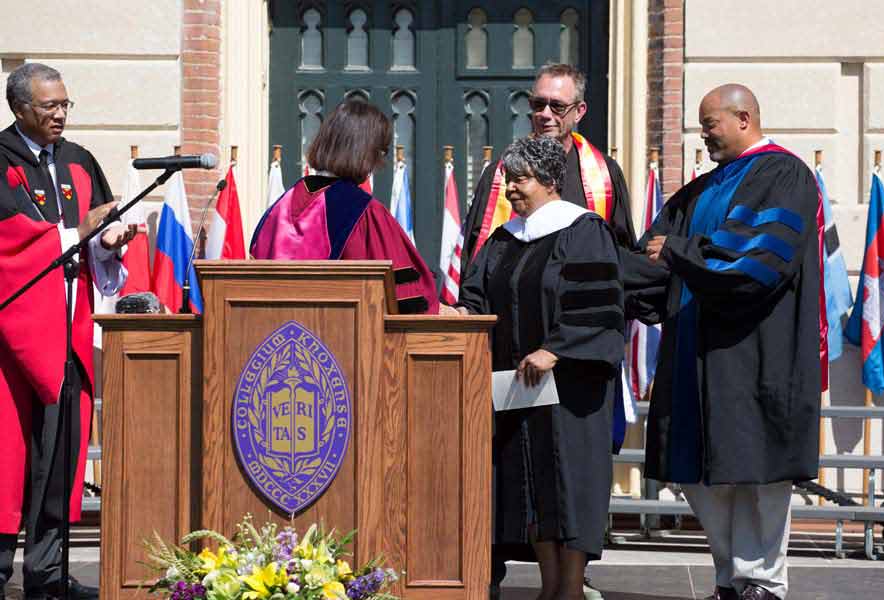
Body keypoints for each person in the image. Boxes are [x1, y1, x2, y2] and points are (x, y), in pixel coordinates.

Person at [627, 84, 822, 600]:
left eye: (709, 124)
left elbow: (753, 263)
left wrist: (679, 252)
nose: (703, 134)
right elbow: (651, 255)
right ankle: (730, 576)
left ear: (743, 117)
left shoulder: (783, 175)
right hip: (694, 352)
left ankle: (762, 581)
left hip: (754, 349)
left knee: (757, 472)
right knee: (701, 472)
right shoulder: (699, 191)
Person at [453, 136, 624, 600]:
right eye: (508, 179)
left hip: (570, 391)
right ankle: (550, 588)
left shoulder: (584, 230)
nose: (510, 189)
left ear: (551, 181)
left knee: (568, 483)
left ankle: (569, 589)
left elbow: (602, 310)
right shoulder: (504, 239)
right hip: (518, 390)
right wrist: (463, 314)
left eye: (520, 179)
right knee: (532, 487)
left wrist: (558, 349)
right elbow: (478, 293)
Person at [0, 63, 134, 600]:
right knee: (9, 458)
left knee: (59, 456)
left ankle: (48, 574)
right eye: (48, 106)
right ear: (19, 109)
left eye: (64, 105)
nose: (59, 115)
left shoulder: (79, 162)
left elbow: (90, 240)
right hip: (12, 342)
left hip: (69, 331)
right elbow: (9, 246)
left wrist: (107, 241)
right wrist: (78, 232)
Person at [250, 100, 440, 314]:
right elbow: (409, 299)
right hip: (343, 339)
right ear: (365, 151)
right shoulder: (365, 213)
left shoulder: (280, 207)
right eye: (380, 152)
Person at [459, 62, 635, 278]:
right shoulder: (499, 174)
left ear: (579, 112)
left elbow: (622, 252)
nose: (545, 114)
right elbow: (475, 256)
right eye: (538, 104)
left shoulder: (605, 175)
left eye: (557, 106)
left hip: (577, 301)